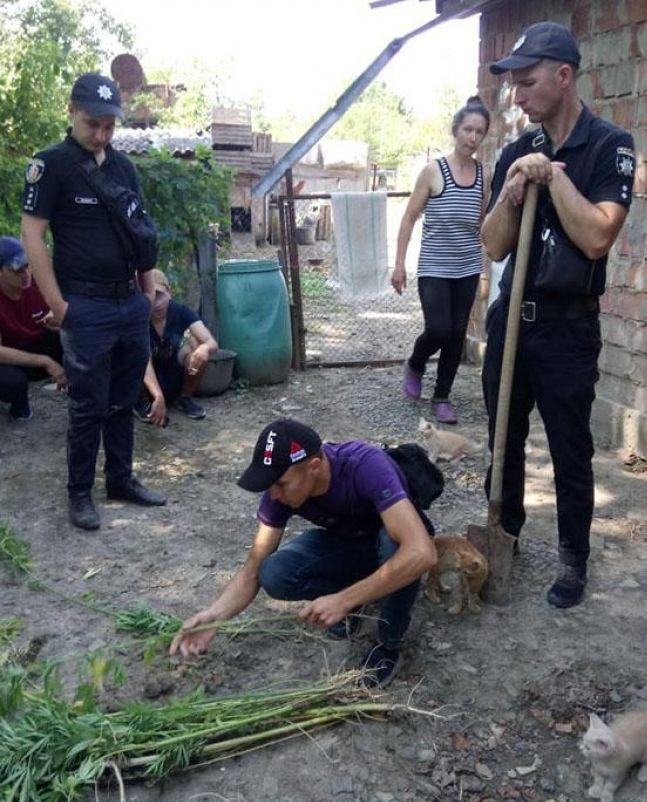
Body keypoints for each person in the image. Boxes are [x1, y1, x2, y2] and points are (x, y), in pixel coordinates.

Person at [481, 22, 635, 609]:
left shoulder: (608, 145)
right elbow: (493, 245)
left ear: (564, 76)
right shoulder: (515, 153)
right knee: (503, 438)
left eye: (527, 81)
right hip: (511, 321)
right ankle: (506, 535)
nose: (516, 95)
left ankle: (574, 558)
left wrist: (556, 179)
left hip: (568, 325)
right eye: (513, 84)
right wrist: (515, 189)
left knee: (570, 448)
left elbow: (598, 236)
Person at [170, 419, 437, 688]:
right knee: (275, 573)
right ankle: (358, 600)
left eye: (281, 484)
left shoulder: (366, 466)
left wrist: (342, 599)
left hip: (393, 544)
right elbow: (253, 569)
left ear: (314, 467)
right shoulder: (280, 492)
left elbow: (421, 552)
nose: (273, 494)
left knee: (396, 545)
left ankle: (389, 642)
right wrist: (215, 616)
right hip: (350, 544)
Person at [21, 72, 166, 531]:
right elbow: (32, 235)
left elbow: (139, 232)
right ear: (71, 113)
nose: (102, 134)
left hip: (128, 303)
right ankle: (79, 493)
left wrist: (146, 292)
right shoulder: (51, 165)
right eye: (93, 124)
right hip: (84, 307)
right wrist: (58, 306)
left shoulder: (124, 168)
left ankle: (120, 480)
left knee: (124, 399)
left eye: (109, 125)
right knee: (87, 404)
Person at [393, 96, 491, 424]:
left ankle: (442, 396)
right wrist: (399, 264)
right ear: (455, 130)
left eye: (479, 132)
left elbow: (481, 223)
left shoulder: (483, 176)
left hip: (467, 267)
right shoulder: (434, 172)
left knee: (457, 333)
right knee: (438, 328)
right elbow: (408, 218)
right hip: (434, 267)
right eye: (467, 129)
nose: (472, 137)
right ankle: (417, 363)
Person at [135, 269, 218, 426]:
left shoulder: (180, 311)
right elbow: (143, 362)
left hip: (171, 373)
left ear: (169, 292)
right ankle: (142, 403)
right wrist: (158, 396)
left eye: (161, 296)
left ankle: (185, 397)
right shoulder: (139, 318)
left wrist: (204, 349)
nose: (157, 304)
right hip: (144, 380)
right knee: (133, 357)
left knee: (195, 348)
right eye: (152, 298)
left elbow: (211, 342)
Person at [0, 236, 66, 420]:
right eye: (17, 270)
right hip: (8, 357)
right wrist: (45, 361)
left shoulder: (39, 280)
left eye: (27, 266)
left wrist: (59, 316)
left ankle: (80, 388)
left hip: (36, 341)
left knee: (75, 339)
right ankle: (19, 410)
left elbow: (69, 308)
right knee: (13, 383)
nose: (26, 273)